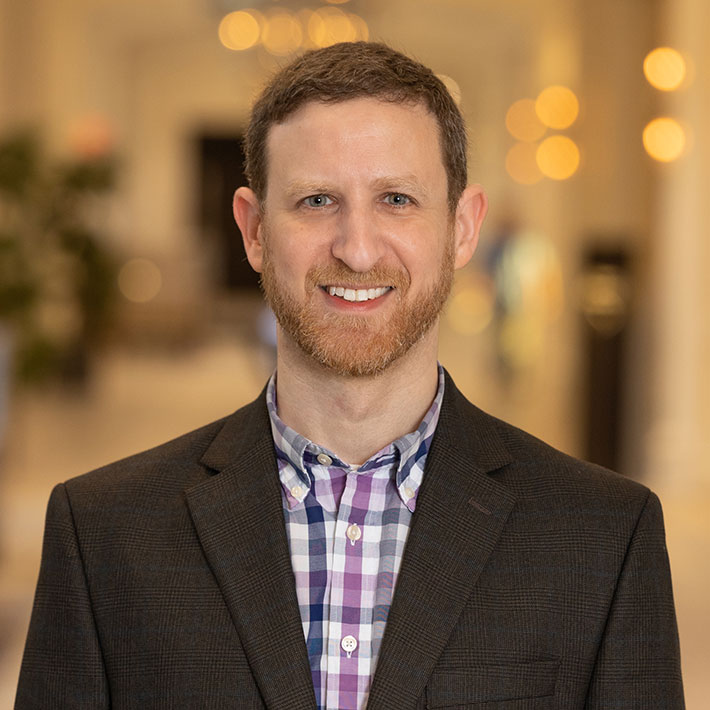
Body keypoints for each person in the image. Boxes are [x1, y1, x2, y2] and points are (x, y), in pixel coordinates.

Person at [16, 42, 684, 710]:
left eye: (397, 198)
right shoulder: (102, 533)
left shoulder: (604, 538)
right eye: (315, 201)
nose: (357, 248)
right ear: (253, 231)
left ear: (461, 227)